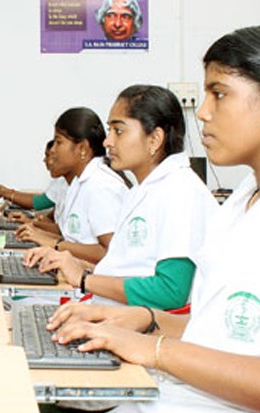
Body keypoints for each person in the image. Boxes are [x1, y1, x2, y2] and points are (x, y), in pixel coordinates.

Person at [41, 24, 260, 413]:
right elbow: (228, 329)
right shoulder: (246, 198)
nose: (202, 112)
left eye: (218, 94)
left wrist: (156, 349)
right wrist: (145, 320)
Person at [24, 85, 218, 310]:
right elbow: (129, 268)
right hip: (114, 314)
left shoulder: (180, 192)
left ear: (154, 139)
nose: (107, 142)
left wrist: (85, 279)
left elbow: (171, 291)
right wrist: (77, 265)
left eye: (118, 131)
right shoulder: (145, 190)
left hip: (141, 330)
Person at [13, 107, 129, 263]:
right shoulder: (79, 183)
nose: (52, 150)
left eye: (59, 142)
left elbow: (110, 253)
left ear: (82, 149)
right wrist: (39, 235)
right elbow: (74, 240)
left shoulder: (101, 186)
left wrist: (54, 244)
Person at [0, 140, 68, 217]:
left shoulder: (63, 182)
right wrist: (8, 192)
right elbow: (42, 199)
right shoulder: (61, 181)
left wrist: (5, 194)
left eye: (47, 155)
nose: (45, 160)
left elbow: (38, 202)